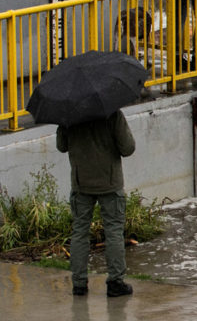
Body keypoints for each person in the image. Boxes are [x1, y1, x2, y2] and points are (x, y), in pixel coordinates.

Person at [56, 111, 137, 297]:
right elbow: (128, 148)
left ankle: (79, 284)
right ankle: (116, 282)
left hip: (81, 183)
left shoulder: (69, 114)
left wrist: (63, 124)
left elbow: (62, 146)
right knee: (114, 231)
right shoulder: (113, 113)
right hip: (110, 182)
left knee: (79, 232)